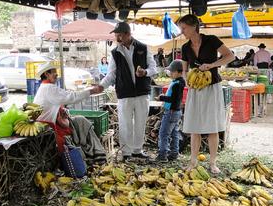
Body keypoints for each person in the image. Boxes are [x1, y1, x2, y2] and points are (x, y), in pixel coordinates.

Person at [177, 14, 234, 174]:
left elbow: (230, 56)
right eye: (181, 28)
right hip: (195, 89)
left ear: (194, 26)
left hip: (212, 87)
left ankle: (213, 162)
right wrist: (186, 80)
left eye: (184, 28)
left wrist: (212, 65)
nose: (182, 32)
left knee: (212, 126)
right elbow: (184, 69)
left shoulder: (212, 40)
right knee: (195, 126)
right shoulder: (185, 47)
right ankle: (193, 161)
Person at [97, 21, 158, 161]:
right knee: (125, 122)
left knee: (141, 122)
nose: (117, 39)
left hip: (142, 92)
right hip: (124, 92)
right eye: (116, 36)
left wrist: (145, 72)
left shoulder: (143, 48)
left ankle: (137, 150)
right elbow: (111, 74)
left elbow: (154, 68)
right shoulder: (115, 53)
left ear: (128, 34)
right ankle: (126, 153)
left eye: (119, 35)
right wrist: (101, 86)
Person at [33, 62, 106, 164]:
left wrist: (63, 111)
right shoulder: (48, 89)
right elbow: (71, 97)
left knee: (81, 120)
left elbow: (61, 101)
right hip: (50, 127)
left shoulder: (46, 88)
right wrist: (91, 91)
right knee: (80, 124)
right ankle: (96, 153)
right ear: (46, 74)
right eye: (54, 72)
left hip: (58, 122)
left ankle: (98, 153)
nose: (56, 74)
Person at [154, 60, 186, 162]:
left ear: (179, 72)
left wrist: (162, 98)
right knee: (174, 133)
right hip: (176, 112)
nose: (170, 73)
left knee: (163, 134)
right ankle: (174, 154)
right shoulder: (178, 82)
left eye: (172, 72)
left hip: (171, 112)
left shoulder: (177, 84)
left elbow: (173, 99)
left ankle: (163, 155)